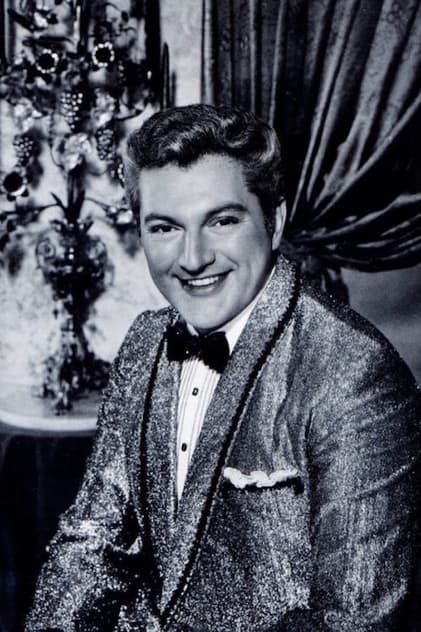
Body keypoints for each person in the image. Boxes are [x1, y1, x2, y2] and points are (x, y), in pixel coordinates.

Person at [27, 104, 421, 631]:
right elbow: (92, 541)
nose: (193, 258)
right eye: (165, 227)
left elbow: (355, 622)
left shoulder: (356, 373)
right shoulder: (145, 339)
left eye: (222, 221)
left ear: (274, 222)